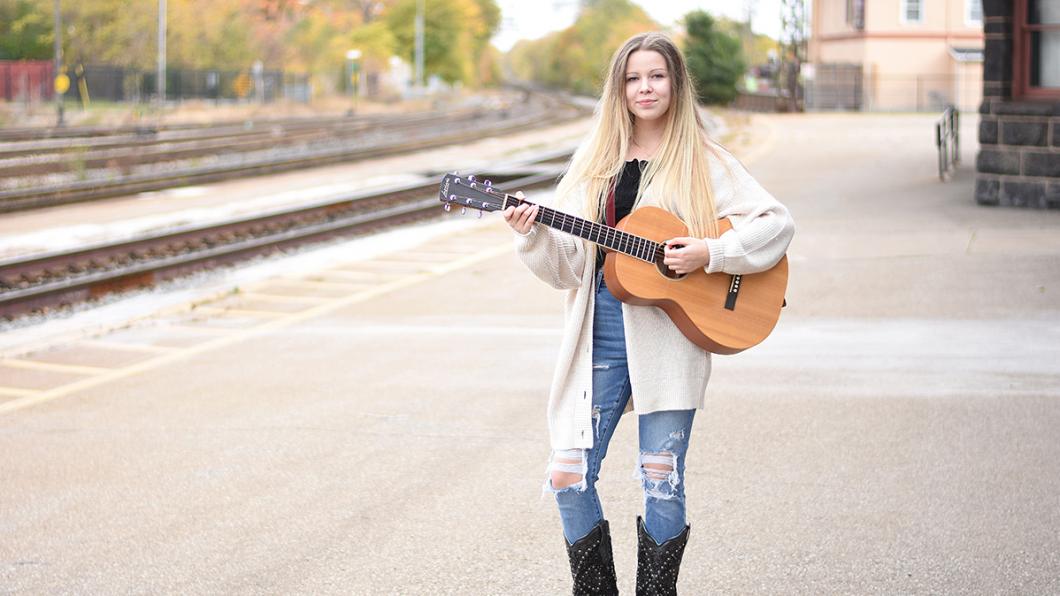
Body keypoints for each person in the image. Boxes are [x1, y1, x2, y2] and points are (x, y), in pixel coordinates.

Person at [503, 32, 795, 595]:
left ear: (676, 85)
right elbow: (568, 268)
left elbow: (776, 225)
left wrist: (713, 252)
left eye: (656, 76)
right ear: (619, 89)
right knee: (568, 473)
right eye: (633, 78)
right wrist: (532, 235)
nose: (645, 88)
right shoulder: (594, 164)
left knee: (660, 480)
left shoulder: (704, 161)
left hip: (671, 340)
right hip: (600, 334)